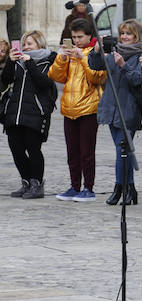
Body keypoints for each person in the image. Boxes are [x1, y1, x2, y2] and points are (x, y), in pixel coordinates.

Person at [87, 19, 142, 206]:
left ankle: (119, 187)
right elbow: (96, 66)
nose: (124, 37)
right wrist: (96, 50)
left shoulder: (141, 55)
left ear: (136, 36)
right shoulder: (115, 52)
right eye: (122, 33)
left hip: (128, 109)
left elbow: (138, 79)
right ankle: (129, 189)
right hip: (111, 107)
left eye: (128, 33)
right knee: (123, 151)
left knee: (122, 150)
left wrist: (124, 65)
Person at [49, 18, 106, 202]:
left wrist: (83, 60)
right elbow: (56, 76)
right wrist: (62, 58)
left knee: (86, 152)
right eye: (73, 37)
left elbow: (98, 77)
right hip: (69, 107)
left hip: (89, 108)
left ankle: (88, 188)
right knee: (72, 152)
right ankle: (74, 186)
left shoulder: (95, 52)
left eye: (80, 37)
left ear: (89, 35)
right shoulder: (71, 52)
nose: (76, 41)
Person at [3, 31, 57, 199]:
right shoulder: (18, 61)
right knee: (16, 149)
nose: (26, 47)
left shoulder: (49, 61)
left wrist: (31, 63)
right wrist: (11, 63)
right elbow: (5, 80)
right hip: (15, 112)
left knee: (33, 149)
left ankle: (37, 183)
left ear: (39, 44)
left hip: (35, 112)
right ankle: (26, 181)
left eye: (30, 44)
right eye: (24, 44)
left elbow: (44, 84)